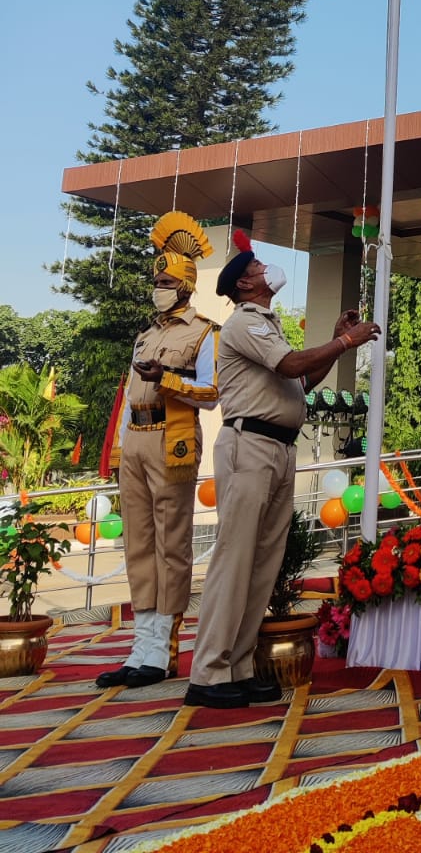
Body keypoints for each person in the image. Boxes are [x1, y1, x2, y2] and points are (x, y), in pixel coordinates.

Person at [184, 231, 379, 709]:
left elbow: (303, 379)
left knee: (262, 564)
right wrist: (344, 340)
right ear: (246, 286)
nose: (265, 271)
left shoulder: (266, 323)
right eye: (256, 268)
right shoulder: (245, 324)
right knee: (236, 560)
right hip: (249, 446)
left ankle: (239, 666)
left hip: (276, 448)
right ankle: (209, 671)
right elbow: (292, 365)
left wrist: (337, 342)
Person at [98, 213, 219, 688]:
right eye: (157, 281)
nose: (159, 287)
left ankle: (163, 650)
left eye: (167, 282)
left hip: (174, 439)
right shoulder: (146, 336)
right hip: (137, 441)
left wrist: (166, 379)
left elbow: (212, 391)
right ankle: (140, 647)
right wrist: (119, 449)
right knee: (138, 545)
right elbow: (130, 392)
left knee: (171, 545)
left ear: (186, 287)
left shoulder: (205, 333)